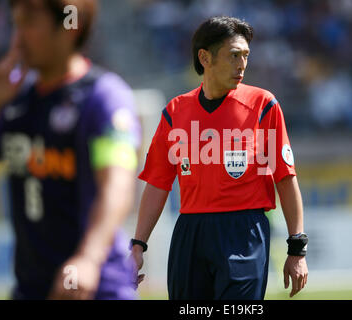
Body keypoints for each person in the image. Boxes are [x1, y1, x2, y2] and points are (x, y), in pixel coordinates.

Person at [131, 16, 308, 300]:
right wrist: (138, 245)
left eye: (246, 56)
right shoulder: (175, 112)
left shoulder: (264, 106)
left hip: (244, 232)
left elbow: (285, 179)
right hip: (190, 233)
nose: (242, 64)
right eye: (234, 55)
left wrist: (297, 248)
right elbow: (157, 184)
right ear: (205, 57)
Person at [0, 0, 140, 300]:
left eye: (30, 23)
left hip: (97, 288)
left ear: (69, 28)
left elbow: (117, 187)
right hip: (31, 290)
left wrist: (88, 258)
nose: (18, 37)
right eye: (16, 23)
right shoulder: (14, 102)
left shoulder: (104, 98)